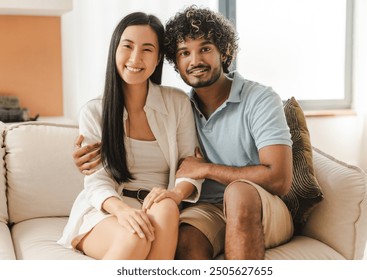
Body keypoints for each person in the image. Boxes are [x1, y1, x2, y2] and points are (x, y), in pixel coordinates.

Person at [74, 6, 294, 260]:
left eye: (205, 49)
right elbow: (101, 173)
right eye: (184, 53)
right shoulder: (184, 106)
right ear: (173, 62)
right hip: (206, 209)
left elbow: (279, 179)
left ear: (225, 51)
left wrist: (206, 169)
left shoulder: (259, 99)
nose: (195, 60)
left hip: (258, 204)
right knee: (186, 241)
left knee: (238, 193)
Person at [57, 12, 202, 260]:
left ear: (158, 59)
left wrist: (174, 194)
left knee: (167, 206)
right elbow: (97, 182)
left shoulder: (177, 103)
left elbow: (189, 166)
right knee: (137, 235)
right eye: (127, 46)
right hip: (108, 209)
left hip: (159, 206)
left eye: (147, 49)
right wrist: (123, 211)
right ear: (115, 49)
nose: (135, 58)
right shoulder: (95, 111)